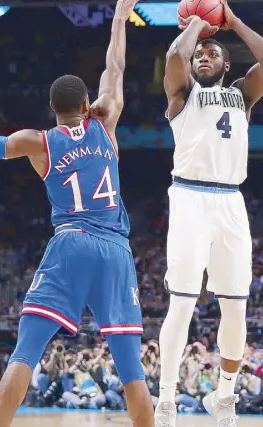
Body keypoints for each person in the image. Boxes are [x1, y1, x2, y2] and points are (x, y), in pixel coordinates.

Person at [0, 0, 155, 426]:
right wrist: (119, 17)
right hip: (115, 250)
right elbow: (114, 68)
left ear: (51, 107)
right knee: (132, 370)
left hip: (70, 243)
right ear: (87, 102)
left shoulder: (38, 141)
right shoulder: (106, 122)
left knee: (25, 351)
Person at [155, 1, 263, 426]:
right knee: (180, 305)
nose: (204, 56)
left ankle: (224, 397)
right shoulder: (183, 96)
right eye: (201, 53)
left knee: (236, 307)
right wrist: (197, 24)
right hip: (189, 198)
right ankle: (166, 399)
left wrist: (232, 20)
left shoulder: (242, 94)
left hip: (231, 202)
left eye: (213, 53)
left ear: (226, 61)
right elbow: (173, 58)